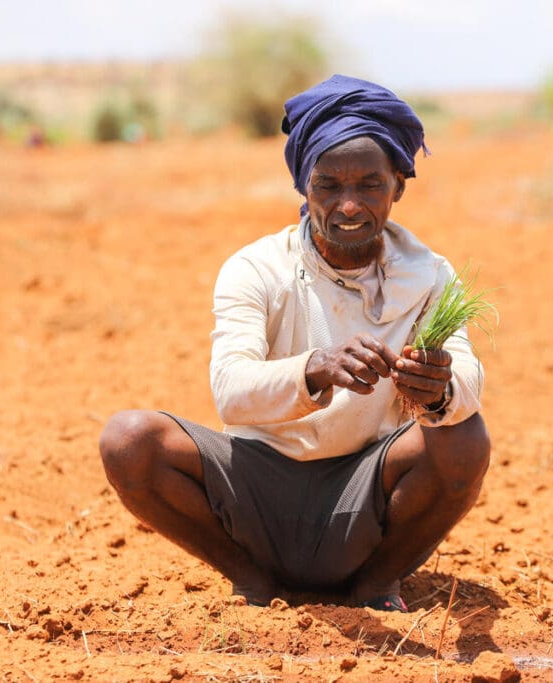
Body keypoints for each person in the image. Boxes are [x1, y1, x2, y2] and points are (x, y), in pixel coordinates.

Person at [99, 75, 490, 612]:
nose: (349, 206)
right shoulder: (256, 268)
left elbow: (466, 380)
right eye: (329, 186)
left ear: (398, 185)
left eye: (370, 186)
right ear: (303, 186)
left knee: (464, 435)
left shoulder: (430, 275)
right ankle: (250, 577)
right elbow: (231, 392)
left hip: (366, 488)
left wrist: (439, 388)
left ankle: (377, 582)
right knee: (129, 440)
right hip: (257, 485)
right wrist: (315, 367)